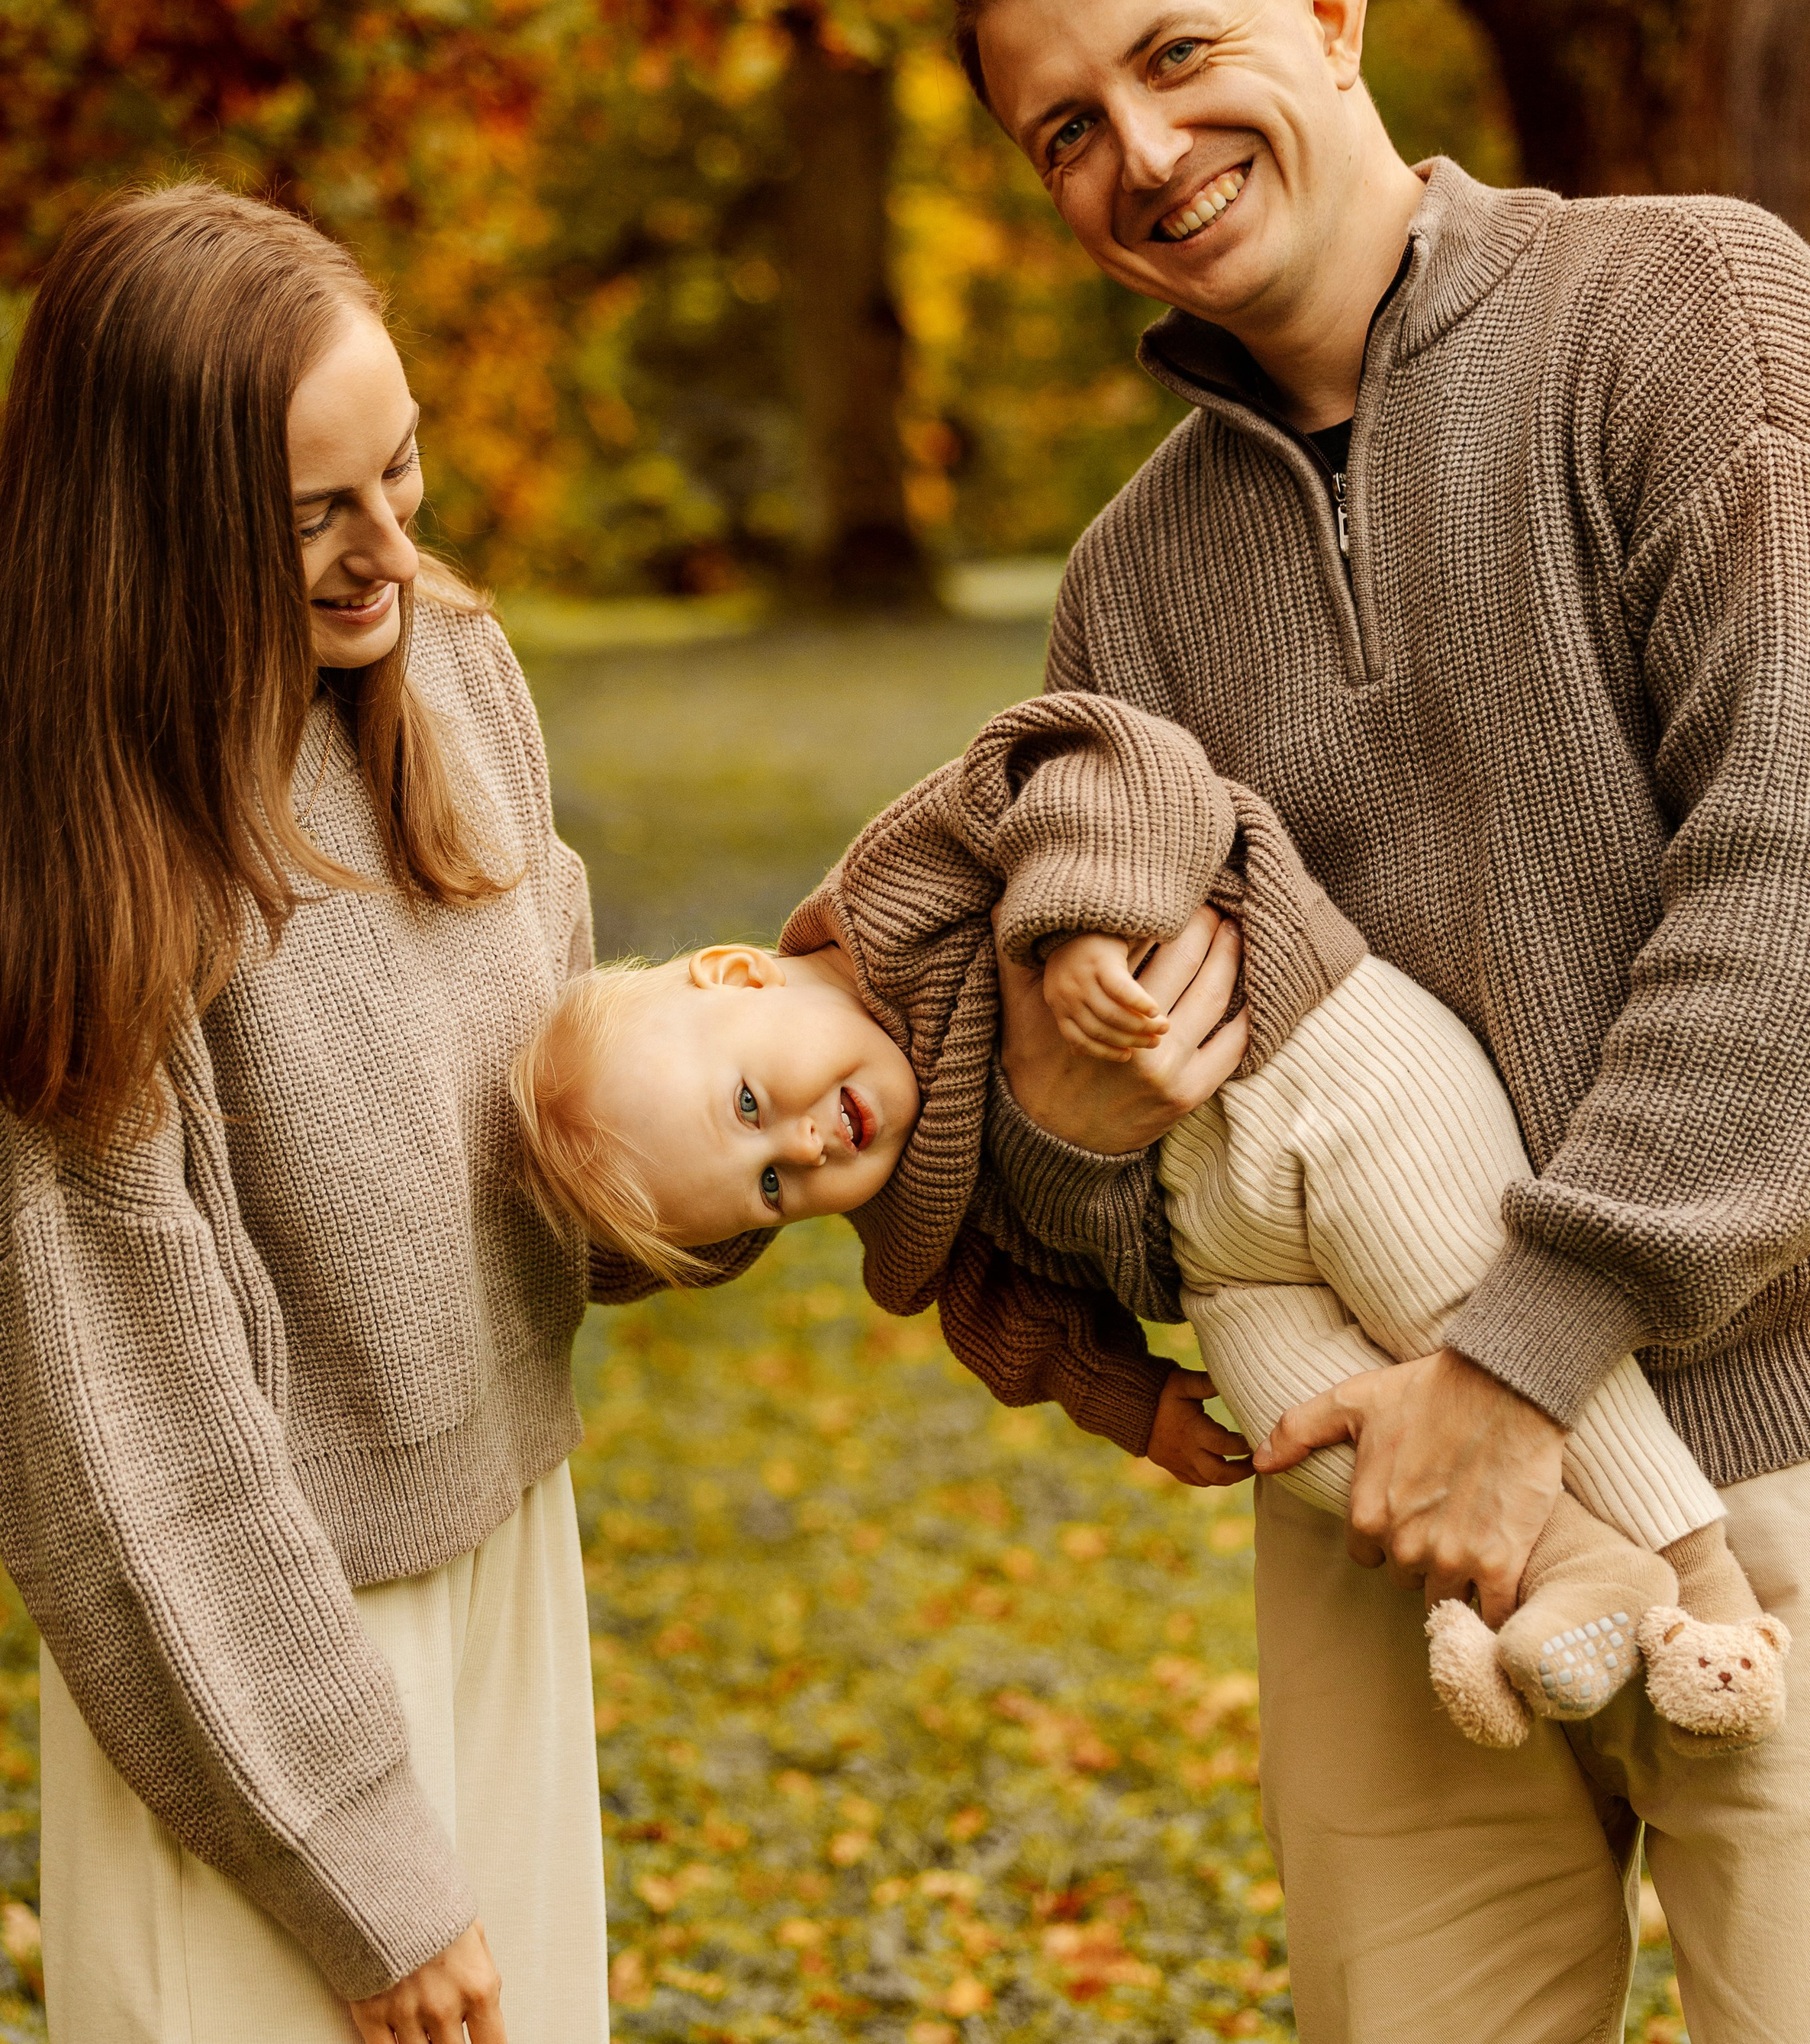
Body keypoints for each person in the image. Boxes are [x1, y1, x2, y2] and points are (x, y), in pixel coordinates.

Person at [936, 0, 1810, 2044]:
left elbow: (1797, 868)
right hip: (1393, 1555)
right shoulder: (1128, 598)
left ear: (1326, 13)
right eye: (1062, 128)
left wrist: (1531, 1354)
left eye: (1177, 53)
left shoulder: (1685, 306)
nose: (1139, 151)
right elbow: (1103, 1220)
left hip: (1749, 1458)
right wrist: (1077, 1125)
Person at [0, 183, 759, 2044]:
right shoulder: (62, 926)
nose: (392, 553)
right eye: (313, 519)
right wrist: (358, 1864)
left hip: (501, 1582)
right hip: (258, 1678)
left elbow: (538, 1105)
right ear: (151, 536)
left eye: (408, 476)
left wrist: (731, 1149)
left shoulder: (443, 676)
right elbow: (133, 1473)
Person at [505, 685, 1779, 1750]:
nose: (803, 1146)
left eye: (747, 1103)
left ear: (730, 975)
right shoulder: (910, 1213)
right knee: (1299, 1430)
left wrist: (1079, 918)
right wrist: (1133, 1400)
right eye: (772, 1191)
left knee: (1464, 1307)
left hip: (1317, 1064)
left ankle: (1707, 1596)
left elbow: (1110, 759)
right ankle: (1583, 1572)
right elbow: (1011, 1326)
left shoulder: (907, 885)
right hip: (1223, 1255)